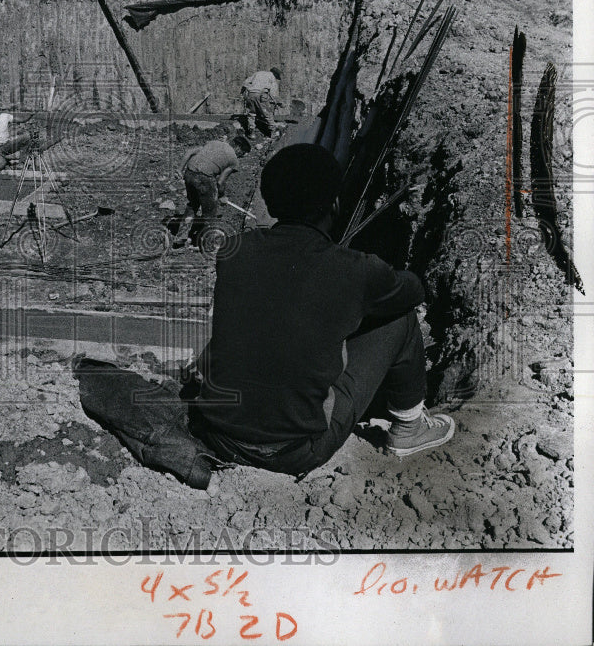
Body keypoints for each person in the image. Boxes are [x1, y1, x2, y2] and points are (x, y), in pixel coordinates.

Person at [191, 143, 455, 477]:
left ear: (270, 203)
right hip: (293, 452)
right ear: (335, 205)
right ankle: (409, 428)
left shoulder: (235, 250)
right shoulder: (356, 270)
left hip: (219, 437)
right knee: (400, 321)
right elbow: (412, 290)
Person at [170, 135, 251, 249]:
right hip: (204, 178)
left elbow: (189, 152)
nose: (240, 156)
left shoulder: (214, 143)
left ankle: (181, 236)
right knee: (210, 213)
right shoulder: (233, 159)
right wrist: (222, 196)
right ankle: (207, 244)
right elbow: (220, 181)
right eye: (242, 153)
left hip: (189, 173)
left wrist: (179, 169)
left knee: (192, 205)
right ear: (238, 148)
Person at [0, 102, 33, 170]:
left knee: (26, 137)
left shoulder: (5, 116)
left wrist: (31, 115)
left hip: (7, 145)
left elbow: (22, 120)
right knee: (0, 166)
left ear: (0, 110)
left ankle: (22, 162)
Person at [237, 67, 282, 140]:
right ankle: (273, 133)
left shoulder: (257, 73)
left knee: (251, 113)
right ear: (276, 75)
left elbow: (245, 83)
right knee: (267, 113)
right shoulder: (272, 77)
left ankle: (252, 133)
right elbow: (273, 92)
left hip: (250, 94)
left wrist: (241, 94)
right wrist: (279, 102)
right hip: (261, 95)